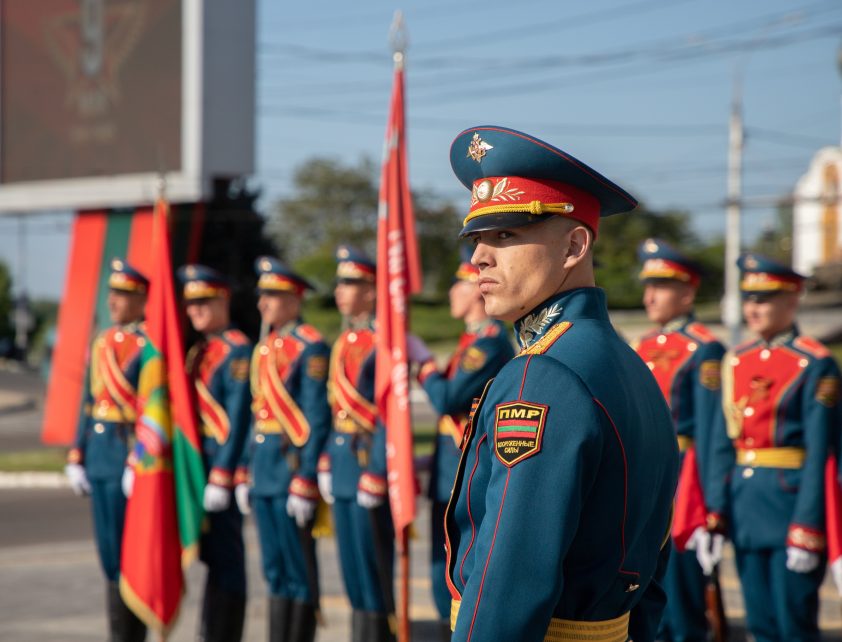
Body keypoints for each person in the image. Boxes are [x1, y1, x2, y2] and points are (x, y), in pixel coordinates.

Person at [444, 125, 679, 642]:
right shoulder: (629, 365)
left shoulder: (541, 375)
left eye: (505, 235)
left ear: (574, 245)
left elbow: (508, 584)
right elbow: (651, 570)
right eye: (478, 239)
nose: (479, 257)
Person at [704, 253, 841, 642]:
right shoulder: (736, 361)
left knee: (793, 623)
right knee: (759, 624)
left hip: (790, 506)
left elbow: (821, 453)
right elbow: (720, 445)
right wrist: (715, 511)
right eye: (749, 298)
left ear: (792, 299)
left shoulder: (814, 363)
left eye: (764, 298)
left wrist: (808, 525)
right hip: (745, 504)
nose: (753, 308)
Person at [409, 245, 514, 637]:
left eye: (457, 287)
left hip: (465, 476)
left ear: (474, 290)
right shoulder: (470, 341)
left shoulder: (488, 344)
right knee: (441, 566)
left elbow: (448, 400)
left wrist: (422, 366)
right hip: (447, 471)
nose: (452, 295)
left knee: (460, 569)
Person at [633, 239, 726, 642]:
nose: (649, 295)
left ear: (687, 293)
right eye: (647, 285)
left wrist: (711, 506)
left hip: (685, 487)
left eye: (662, 287)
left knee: (683, 606)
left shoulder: (704, 349)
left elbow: (709, 435)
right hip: (647, 483)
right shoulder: (645, 346)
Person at [237, 257, 331, 642]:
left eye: (272, 295)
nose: (263, 303)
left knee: (298, 571)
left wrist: (306, 477)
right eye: (262, 295)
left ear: (294, 298)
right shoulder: (263, 349)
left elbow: (316, 417)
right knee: (274, 569)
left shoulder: (309, 346)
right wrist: (244, 469)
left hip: (290, 469)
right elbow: (255, 414)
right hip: (264, 470)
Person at [65, 258, 149, 642]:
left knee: (129, 560)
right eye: (112, 293)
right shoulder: (102, 343)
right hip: (99, 455)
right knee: (108, 555)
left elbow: (153, 407)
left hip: (125, 454)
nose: (113, 301)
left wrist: (140, 458)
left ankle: (132, 634)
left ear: (139, 299)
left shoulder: (148, 345)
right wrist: (76, 454)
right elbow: (88, 401)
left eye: (122, 294)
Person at [320, 245, 395, 642]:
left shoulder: (380, 340)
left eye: (349, 284)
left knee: (373, 572)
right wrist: (325, 462)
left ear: (370, 290)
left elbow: (389, 411)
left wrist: (378, 469)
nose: (339, 291)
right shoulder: (344, 340)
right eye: (339, 283)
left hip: (367, 464)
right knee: (351, 570)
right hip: (344, 464)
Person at [179, 264, 252, 642]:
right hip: (197, 468)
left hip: (217, 472)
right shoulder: (198, 352)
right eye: (190, 303)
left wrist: (224, 473)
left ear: (223, 300)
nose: (194, 310)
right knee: (209, 559)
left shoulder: (236, 350)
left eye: (203, 302)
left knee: (226, 563)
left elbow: (239, 418)